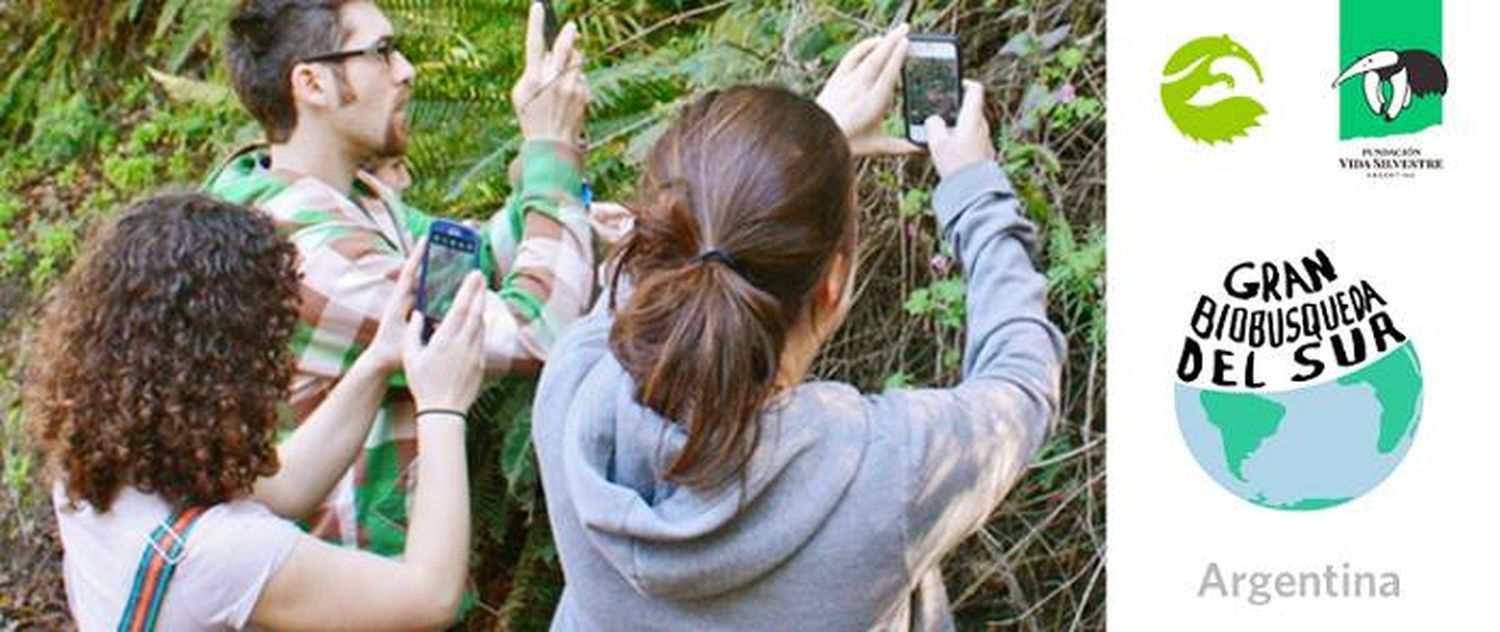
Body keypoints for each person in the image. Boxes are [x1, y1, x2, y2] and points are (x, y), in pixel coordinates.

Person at [531, 27, 1065, 630]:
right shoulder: (884, 472)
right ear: (834, 287)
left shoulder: (572, 385)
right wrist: (974, 189)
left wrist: (810, 148)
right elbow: (1021, 387)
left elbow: (662, 275)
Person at [204, 0, 594, 556]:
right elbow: (540, 331)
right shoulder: (305, 252)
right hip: (352, 590)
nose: (406, 70)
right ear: (312, 83)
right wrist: (549, 152)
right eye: (382, 53)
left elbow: (477, 262)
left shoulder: (348, 201)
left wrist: (557, 191)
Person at [27, 193, 489, 629]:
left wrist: (377, 360)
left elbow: (287, 487)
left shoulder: (93, 454)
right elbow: (430, 596)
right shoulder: (223, 556)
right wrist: (442, 407)